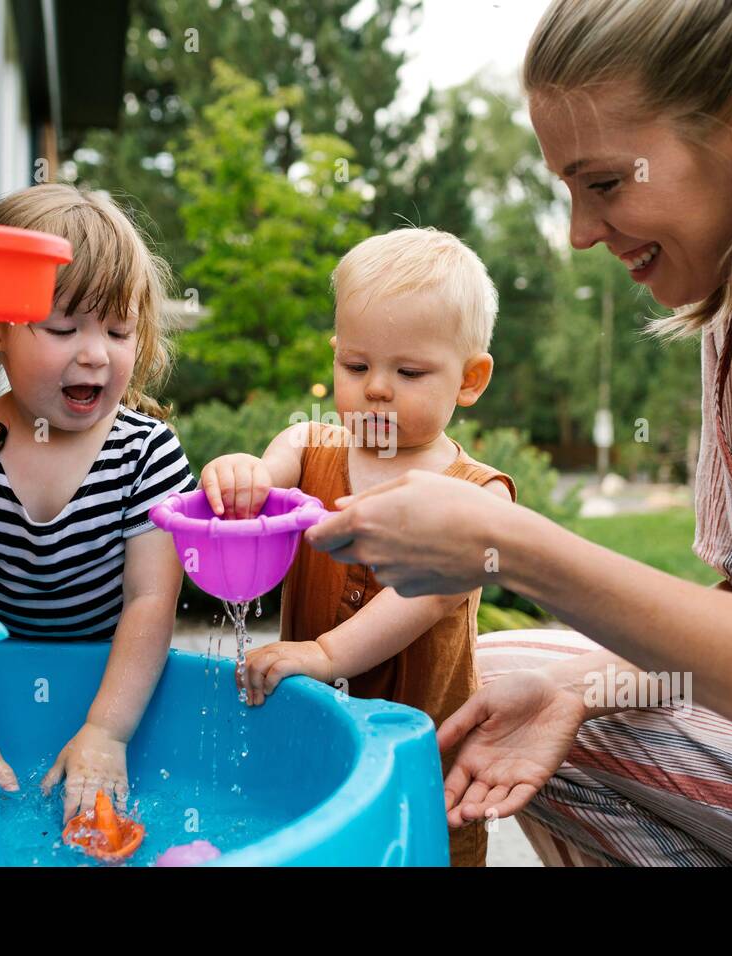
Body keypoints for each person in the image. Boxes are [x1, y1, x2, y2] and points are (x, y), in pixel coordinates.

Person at [307, 0, 732, 865]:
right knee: (505, 684)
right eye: (568, 191)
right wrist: (582, 689)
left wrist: (511, 545)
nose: (581, 232)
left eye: (604, 183)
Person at [200, 228, 516, 865]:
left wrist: (325, 652)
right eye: (356, 365)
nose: (376, 387)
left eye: (409, 371)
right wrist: (240, 474)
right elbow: (264, 482)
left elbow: (421, 594)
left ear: (470, 379)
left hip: (422, 764)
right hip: (315, 743)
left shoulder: (479, 496)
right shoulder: (308, 448)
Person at [0, 183, 196, 824]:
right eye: (61, 327)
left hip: (112, 692)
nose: (94, 353)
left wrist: (107, 732)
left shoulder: (146, 455)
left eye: (118, 329)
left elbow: (151, 601)